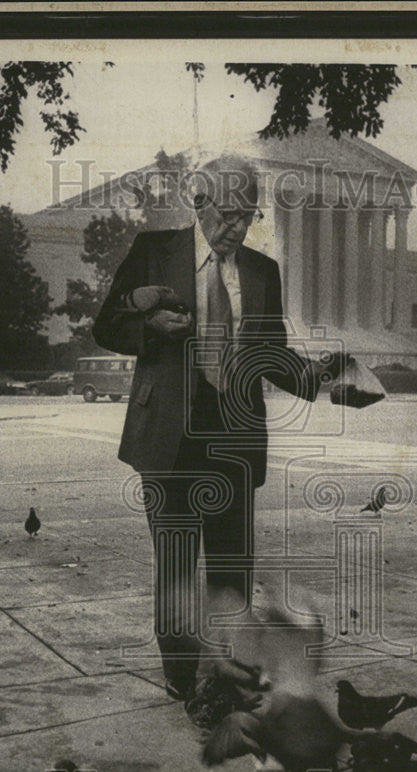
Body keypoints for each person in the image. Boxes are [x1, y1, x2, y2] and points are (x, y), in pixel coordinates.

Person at [93, 154, 348, 701]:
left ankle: (230, 674)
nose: (237, 227)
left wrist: (327, 379)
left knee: (232, 567)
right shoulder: (153, 253)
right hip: (168, 438)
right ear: (199, 201)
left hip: (235, 439)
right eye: (229, 214)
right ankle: (182, 677)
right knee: (178, 565)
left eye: (248, 216)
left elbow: (272, 355)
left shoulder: (262, 272)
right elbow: (106, 324)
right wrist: (151, 326)